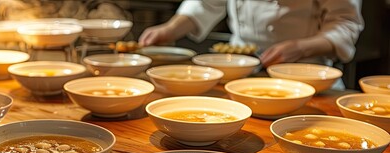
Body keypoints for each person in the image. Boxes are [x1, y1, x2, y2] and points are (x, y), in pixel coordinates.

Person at [138, 0, 364, 69]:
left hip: (305, 70)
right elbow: (205, 3)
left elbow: (345, 23)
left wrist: (301, 47)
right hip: (238, 69)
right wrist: (170, 29)